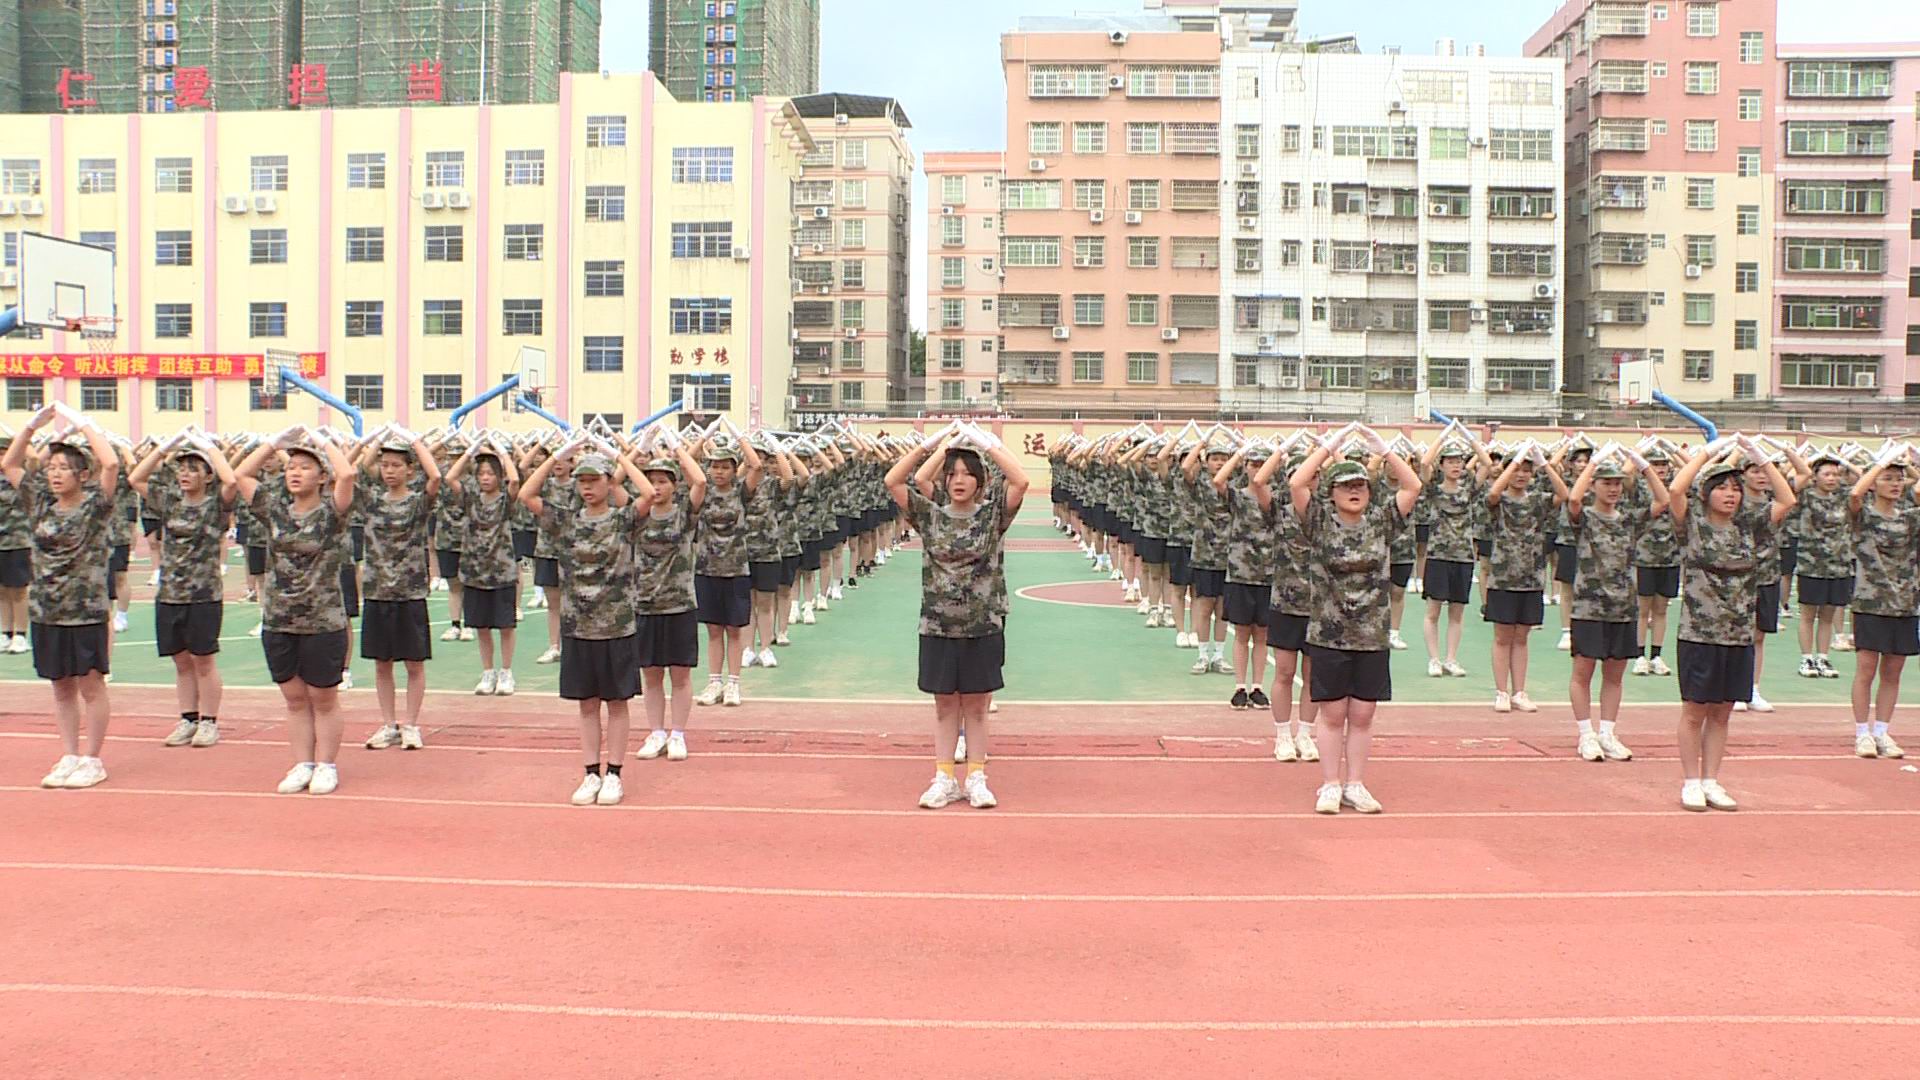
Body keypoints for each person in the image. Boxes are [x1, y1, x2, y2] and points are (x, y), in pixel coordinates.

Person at [889, 430, 1028, 810]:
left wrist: (986, 444)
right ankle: (944, 777)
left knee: (978, 707)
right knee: (945, 706)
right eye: (953, 474)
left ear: (980, 482)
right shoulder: (929, 517)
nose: (959, 481)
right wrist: (931, 445)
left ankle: (977, 778)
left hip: (982, 624)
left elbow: (1021, 480)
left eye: (968, 474)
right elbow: (894, 480)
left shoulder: (992, 515)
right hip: (937, 625)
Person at [1289, 429, 1419, 814]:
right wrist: (1329, 447)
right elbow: (1296, 482)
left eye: (1361, 484)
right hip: (1329, 634)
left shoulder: (1381, 521)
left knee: (1362, 715)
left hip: (1372, 634)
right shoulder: (1318, 521)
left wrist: (1384, 450)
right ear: (1331, 491)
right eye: (1346, 485)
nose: (1354, 490)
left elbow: (1412, 486)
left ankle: (1356, 784)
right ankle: (1330, 784)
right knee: (1332, 714)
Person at [1666, 436, 1795, 812]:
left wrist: (1761, 458)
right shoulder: (1691, 524)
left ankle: (1712, 780)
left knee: (1722, 712)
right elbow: (1676, 487)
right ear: (1706, 493)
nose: (1730, 494)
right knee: (1694, 711)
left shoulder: (1750, 526)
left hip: (1738, 632)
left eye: (1736, 488)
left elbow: (1787, 500)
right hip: (1698, 633)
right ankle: (1691, 781)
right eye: (1721, 487)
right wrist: (1708, 453)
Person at [521, 444, 655, 805]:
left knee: (617, 703)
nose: (587, 487)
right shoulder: (566, 520)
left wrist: (619, 458)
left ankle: (614, 774)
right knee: (586, 704)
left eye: (594, 480)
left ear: (608, 482)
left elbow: (649, 494)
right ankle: (590, 773)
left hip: (616, 626)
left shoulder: (622, 520)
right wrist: (556, 458)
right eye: (582, 480)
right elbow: (526, 493)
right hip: (577, 626)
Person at [235, 429, 358, 796]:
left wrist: (323, 444)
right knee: (294, 699)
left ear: (322, 477)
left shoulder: (331, 513)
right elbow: (241, 475)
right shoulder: (274, 510)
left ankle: (327, 764)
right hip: (279, 617)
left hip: (322, 619)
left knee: (323, 697)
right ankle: (303, 762)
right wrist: (273, 445)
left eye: (306, 467)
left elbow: (348, 474)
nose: (295, 472)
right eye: (292, 466)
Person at [3, 407, 120, 789]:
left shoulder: (94, 506)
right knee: (60, 687)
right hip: (46, 610)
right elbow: (10, 463)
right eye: (50, 466)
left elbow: (111, 463)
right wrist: (31, 426)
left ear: (80, 475)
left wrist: (82, 422)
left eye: (62, 467)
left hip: (85, 611)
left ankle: (93, 758)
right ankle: (69, 753)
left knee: (90, 685)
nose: (53, 473)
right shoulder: (39, 504)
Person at [128, 432, 238, 749]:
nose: (185, 474)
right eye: (182, 468)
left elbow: (230, 481)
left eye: (193, 468)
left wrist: (210, 448)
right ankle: (188, 719)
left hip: (203, 594)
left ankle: (209, 722)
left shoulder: (216, 503)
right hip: (170, 593)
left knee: (203, 660)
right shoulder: (170, 501)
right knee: (180, 661)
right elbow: (136, 477)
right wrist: (163, 448)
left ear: (207, 475)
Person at [1566, 449, 1667, 761]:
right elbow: (1572, 499)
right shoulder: (1585, 517)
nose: (1613, 488)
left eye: (1618, 483)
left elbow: (1663, 501)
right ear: (1594, 484)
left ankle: (1607, 732)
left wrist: (1644, 465)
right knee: (1583, 671)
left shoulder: (1629, 520)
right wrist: (1595, 462)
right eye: (1606, 482)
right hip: (1588, 606)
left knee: (1614, 674)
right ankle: (1586, 734)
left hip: (1623, 607)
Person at [356, 430, 442, 751]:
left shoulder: (417, 502)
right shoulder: (372, 501)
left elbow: (435, 477)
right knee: (382, 663)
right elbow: (357, 473)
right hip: (377, 592)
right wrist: (375, 441)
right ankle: (388, 723)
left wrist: (414, 441)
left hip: (410, 593)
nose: (389, 470)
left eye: (396, 465)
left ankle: (411, 724)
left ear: (410, 469)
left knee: (414, 664)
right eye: (385, 465)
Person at [630, 442, 708, 763]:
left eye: (663, 481)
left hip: (679, 606)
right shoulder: (634, 517)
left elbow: (701, 482)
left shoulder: (684, 516)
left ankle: (677, 733)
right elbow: (621, 480)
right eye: (651, 480)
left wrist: (678, 450)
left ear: (674, 486)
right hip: (645, 605)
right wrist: (632, 452)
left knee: (680, 675)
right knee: (650, 675)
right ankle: (656, 732)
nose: (656, 486)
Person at [1482, 442, 1569, 714]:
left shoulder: (1538, 500)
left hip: (1531, 577)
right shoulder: (1499, 500)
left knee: (1522, 638)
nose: (1521, 475)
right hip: (1503, 578)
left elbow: (1564, 494)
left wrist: (1545, 464)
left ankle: (1519, 691)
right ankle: (1501, 692)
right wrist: (1513, 461)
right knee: (1502, 637)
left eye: (1526, 471)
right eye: (1517, 470)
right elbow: (1495, 492)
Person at [1844, 451, 1918, 760]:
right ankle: (1862, 732)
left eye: (1899, 479)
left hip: (1905, 603)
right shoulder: (1865, 515)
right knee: (1866, 669)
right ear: (1875, 482)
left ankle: (1882, 731)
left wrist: (1911, 461)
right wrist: (1879, 463)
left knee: (1893, 671)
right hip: (1870, 602)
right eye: (1888, 478)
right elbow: (1855, 493)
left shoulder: (1910, 517)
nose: (1895, 484)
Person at [1249, 448, 1319, 763]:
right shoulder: (1277, 510)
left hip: (1321, 606)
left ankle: (1306, 733)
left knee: (1314, 673)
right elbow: (1260, 481)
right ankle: (1282, 735)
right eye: (1303, 475)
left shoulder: (1330, 514)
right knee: (1285, 673)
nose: (1310, 481)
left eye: (1316, 476)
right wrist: (1280, 451)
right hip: (1286, 603)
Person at [444, 438, 522, 695]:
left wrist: (501, 451)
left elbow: (515, 481)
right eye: (481, 474)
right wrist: (470, 451)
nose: (485, 478)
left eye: (491, 473)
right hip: (475, 572)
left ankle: (507, 672)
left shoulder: (505, 501)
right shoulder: (470, 498)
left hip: (502, 572)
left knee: (506, 626)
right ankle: (487, 672)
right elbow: (451, 478)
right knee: (481, 626)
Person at [691, 434, 764, 708]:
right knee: (713, 630)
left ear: (734, 470)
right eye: (714, 466)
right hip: (707, 570)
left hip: (736, 570)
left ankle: (733, 683)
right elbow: (685, 463)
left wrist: (741, 438)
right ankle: (714, 682)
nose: (718, 471)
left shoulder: (741, 493)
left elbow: (757, 467)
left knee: (734, 630)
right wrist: (703, 437)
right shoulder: (702, 490)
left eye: (725, 466)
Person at [1416, 435, 1486, 678]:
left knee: (1457, 613)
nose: (1456, 465)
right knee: (1433, 612)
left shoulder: (1469, 490)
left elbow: (1486, 465)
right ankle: (1434, 659)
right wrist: (1442, 438)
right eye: (1450, 461)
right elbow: (1424, 464)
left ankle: (1451, 659)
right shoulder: (1434, 489)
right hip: (1438, 556)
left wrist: (1469, 438)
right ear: (1442, 464)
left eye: (1459, 461)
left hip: (1463, 557)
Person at [1212, 442, 1274, 709]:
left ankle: (1258, 687)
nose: (1257, 469)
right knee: (1240, 633)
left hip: (1269, 574)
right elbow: (1218, 480)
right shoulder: (1237, 496)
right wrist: (1238, 453)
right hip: (1240, 572)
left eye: (1262, 464)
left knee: (1261, 634)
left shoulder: (1277, 498)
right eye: (1253, 464)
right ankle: (1240, 686)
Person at [1794, 454, 1854, 680]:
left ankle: (1823, 656)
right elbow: (1796, 479)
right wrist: (1810, 464)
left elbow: (1861, 480)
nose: (1832, 478)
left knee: (1828, 616)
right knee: (1808, 614)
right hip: (1812, 565)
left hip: (1838, 566)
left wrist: (1844, 460)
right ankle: (1806, 657)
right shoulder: (1806, 497)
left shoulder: (1843, 497)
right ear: (1815, 477)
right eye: (1826, 474)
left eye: (1836, 474)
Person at [0, 431, 32, 655]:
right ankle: (4, 632)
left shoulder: (21, 477)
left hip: (18, 540)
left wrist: (20, 437)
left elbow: (37, 458)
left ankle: (20, 635)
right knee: (1, 590)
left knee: (19, 590)